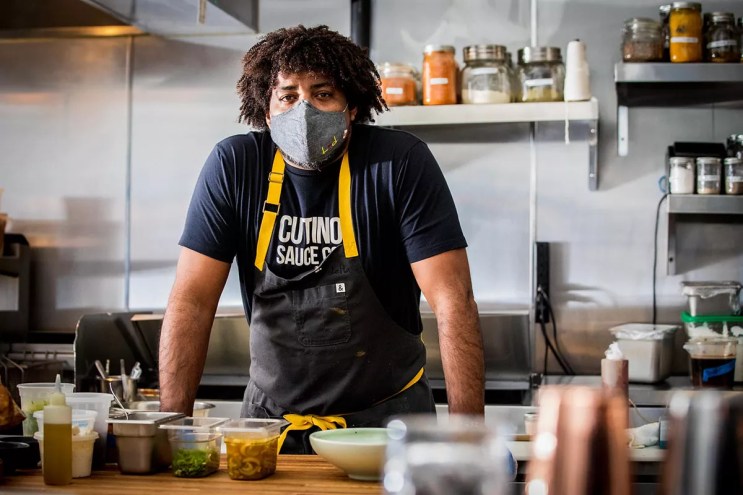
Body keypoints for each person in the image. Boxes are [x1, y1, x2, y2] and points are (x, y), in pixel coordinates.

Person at [158, 24, 485, 454]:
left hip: (388, 432)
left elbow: (454, 301)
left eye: (323, 93)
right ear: (267, 111)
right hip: (270, 434)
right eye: (288, 96)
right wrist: (169, 431)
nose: (304, 110)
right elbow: (192, 301)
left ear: (352, 107)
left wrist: (467, 446)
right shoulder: (235, 166)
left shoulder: (398, 163)